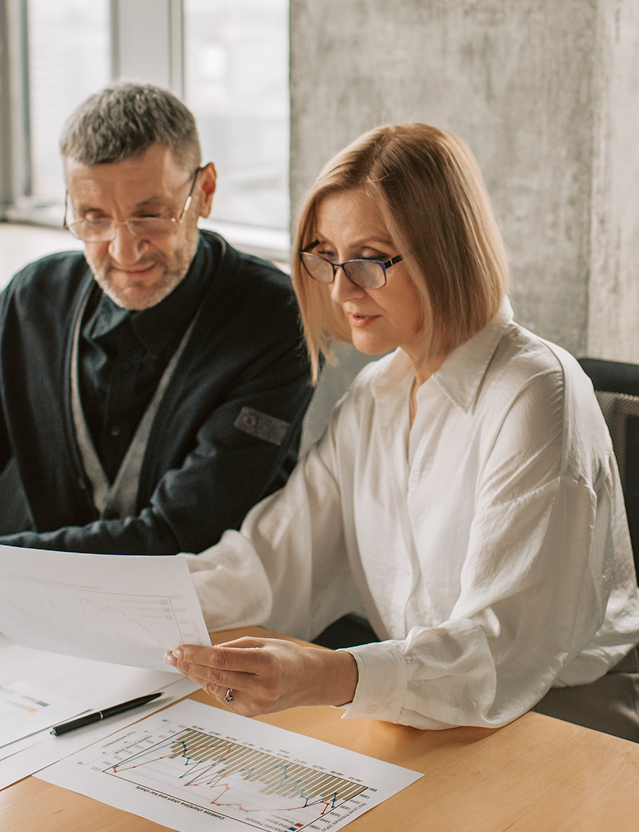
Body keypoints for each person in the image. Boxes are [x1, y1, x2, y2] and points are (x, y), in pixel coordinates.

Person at [165, 123, 639, 741]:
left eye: (367, 260)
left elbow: (499, 648)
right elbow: (274, 563)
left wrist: (329, 677)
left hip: (565, 724)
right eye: (327, 258)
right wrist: (141, 604)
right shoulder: (374, 397)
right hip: (429, 716)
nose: (339, 289)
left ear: (447, 252)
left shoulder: (535, 393)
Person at [0, 82, 312, 604]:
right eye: (93, 218)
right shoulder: (34, 297)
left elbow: (178, 536)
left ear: (203, 192)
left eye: (150, 214)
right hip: (41, 610)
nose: (123, 250)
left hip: (213, 626)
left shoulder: (273, 319)